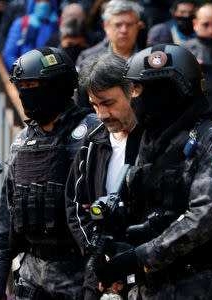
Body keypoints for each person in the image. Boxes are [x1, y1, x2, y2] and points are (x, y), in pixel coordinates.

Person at [89, 44, 212, 299]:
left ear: (169, 90)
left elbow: (206, 216)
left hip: (196, 286)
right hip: (148, 286)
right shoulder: (149, 140)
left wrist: (139, 256)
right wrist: (119, 250)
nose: (134, 97)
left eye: (140, 89)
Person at [0, 47, 99, 300]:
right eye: (21, 86)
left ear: (59, 85)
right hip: (31, 278)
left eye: (32, 85)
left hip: (77, 277)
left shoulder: (93, 131)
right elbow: (5, 219)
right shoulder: (23, 141)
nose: (26, 93)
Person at [65, 52, 141, 299]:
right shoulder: (93, 140)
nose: (102, 114)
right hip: (99, 276)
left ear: (132, 90)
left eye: (108, 103)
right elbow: (74, 204)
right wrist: (100, 257)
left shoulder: (153, 139)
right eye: (95, 105)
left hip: (144, 273)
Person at [74, 0, 143, 108]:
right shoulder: (88, 58)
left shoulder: (148, 59)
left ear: (138, 26)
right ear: (106, 27)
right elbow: (81, 105)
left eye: (129, 24)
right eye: (118, 25)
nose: (124, 30)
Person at [2, 0, 59, 69]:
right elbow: (9, 54)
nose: (43, 3)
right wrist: (21, 71)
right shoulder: (21, 23)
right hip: (25, 71)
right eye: (38, 1)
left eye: (47, 0)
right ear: (32, 3)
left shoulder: (57, 25)